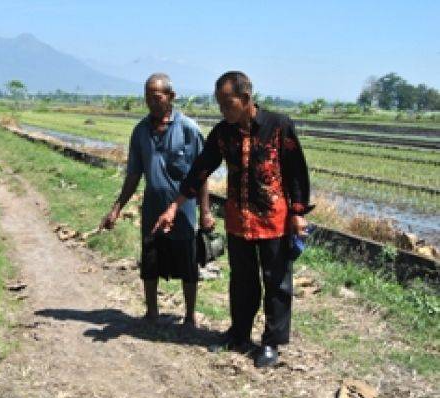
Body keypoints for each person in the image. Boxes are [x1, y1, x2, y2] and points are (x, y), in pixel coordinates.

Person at [153, 71, 312, 367]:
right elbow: (201, 169)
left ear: (246, 99)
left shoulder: (279, 126)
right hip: (239, 220)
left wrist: (298, 214)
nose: (223, 110)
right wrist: (175, 205)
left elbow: (296, 173)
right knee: (242, 281)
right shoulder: (223, 133)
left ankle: (271, 342)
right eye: (220, 104)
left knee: (276, 282)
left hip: (273, 221)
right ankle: (239, 333)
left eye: (228, 103)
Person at [100, 73, 214, 328]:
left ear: (171, 97)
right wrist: (116, 208)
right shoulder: (140, 131)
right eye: (147, 97)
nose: (151, 102)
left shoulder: (188, 129)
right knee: (150, 258)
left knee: (188, 262)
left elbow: (202, 174)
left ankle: (190, 317)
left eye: (157, 97)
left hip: (183, 207)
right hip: (153, 204)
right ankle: (152, 312)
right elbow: (133, 174)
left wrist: (205, 211)